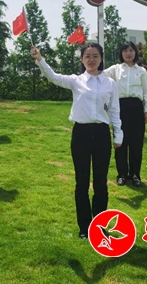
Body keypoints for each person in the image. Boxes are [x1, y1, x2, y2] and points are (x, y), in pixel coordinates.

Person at [31, 43, 122, 239]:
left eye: (95, 56)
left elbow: (114, 110)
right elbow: (53, 77)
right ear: (82, 59)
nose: (91, 59)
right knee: (82, 182)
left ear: (101, 58)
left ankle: (99, 225)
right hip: (81, 133)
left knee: (100, 182)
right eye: (87, 56)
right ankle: (84, 227)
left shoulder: (110, 83)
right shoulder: (76, 81)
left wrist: (118, 134)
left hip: (101, 134)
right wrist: (40, 59)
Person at [103, 41, 147, 187]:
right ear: (121, 53)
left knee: (136, 143)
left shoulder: (142, 71)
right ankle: (122, 174)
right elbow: (100, 75)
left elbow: (146, 92)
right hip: (120, 107)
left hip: (136, 108)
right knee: (120, 142)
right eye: (125, 51)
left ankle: (135, 174)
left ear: (135, 52)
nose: (128, 53)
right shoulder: (115, 69)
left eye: (131, 50)